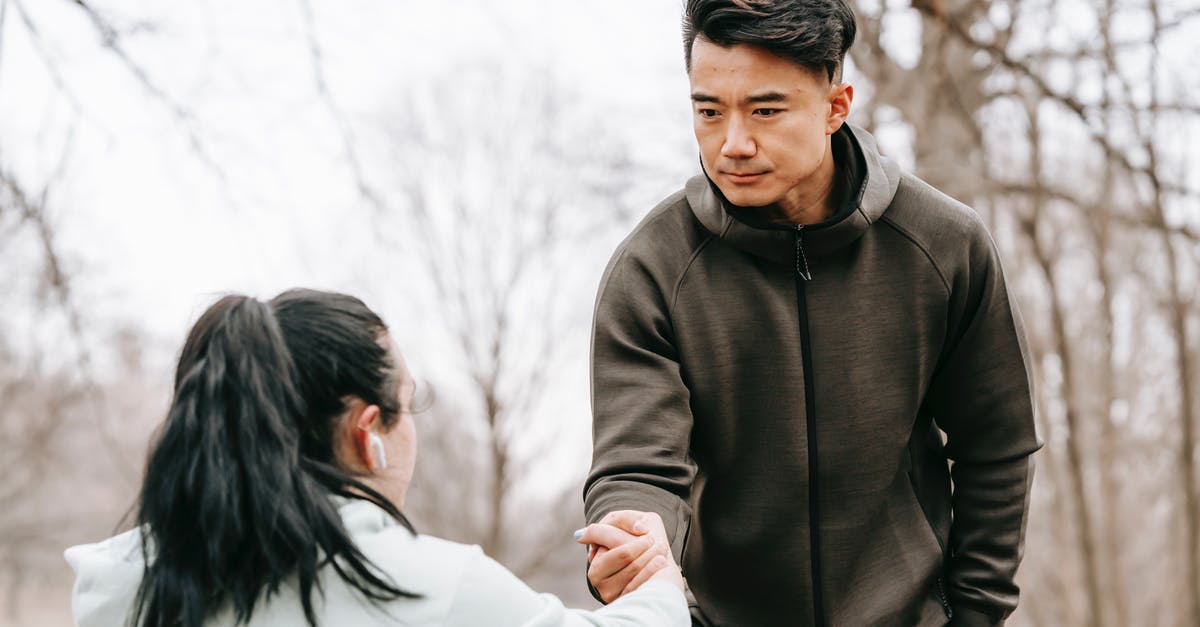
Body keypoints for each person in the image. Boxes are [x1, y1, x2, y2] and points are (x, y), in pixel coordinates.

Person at [582, 1, 1041, 625]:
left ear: (836, 106)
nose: (733, 144)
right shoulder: (652, 268)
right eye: (709, 111)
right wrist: (632, 538)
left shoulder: (945, 245)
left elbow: (997, 448)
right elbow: (637, 468)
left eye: (765, 110)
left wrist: (976, 615)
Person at [65, 289, 689, 627]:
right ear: (370, 433)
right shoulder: (430, 589)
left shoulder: (115, 582)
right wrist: (658, 583)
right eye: (408, 406)